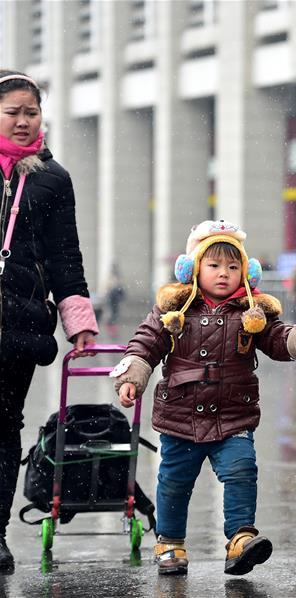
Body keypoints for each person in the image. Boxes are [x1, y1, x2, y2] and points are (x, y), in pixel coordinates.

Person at [111, 220, 296, 576]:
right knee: (173, 482)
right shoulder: (174, 310)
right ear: (193, 269)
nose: (224, 274)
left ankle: (239, 539)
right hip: (180, 416)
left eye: (233, 267)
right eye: (214, 266)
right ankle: (169, 542)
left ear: (246, 272)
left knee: (241, 471)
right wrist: (133, 376)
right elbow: (145, 343)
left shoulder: (252, 312)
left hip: (232, 415)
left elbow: (280, 340)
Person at [0, 70, 99, 573]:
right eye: (12, 112)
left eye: (30, 112)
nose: (22, 122)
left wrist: (78, 320)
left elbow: (66, 256)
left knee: (3, 427)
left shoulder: (52, 179)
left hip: (18, 325)